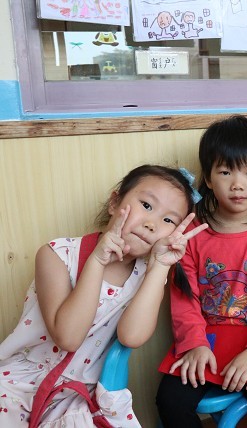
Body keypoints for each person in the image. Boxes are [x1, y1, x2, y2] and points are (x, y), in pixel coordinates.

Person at [0, 164, 208, 427]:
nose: (151, 224)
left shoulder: (148, 275)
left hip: (79, 396)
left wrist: (160, 267)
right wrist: (97, 261)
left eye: (169, 221)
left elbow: (131, 337)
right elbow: (68, 338)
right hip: (20, 384)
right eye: (146, 205)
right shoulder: (57, 255)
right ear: (114, 202)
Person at [155, 115, 247, 428]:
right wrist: (194, 343)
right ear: (208, 178)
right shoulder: (191, 235)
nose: (237, 184)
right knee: (169, 400)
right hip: (204, 339)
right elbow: (184, 298)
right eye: (225, 172)